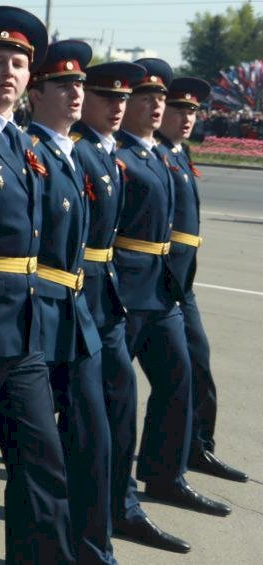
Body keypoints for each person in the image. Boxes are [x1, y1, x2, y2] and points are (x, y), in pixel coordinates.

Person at [0, 6, 73, 563]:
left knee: (43, 470)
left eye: (21, 63)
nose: (10, 71)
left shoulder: (22, 145)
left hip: (24, 338)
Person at [72, 60, 189, 553]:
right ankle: (90, 531)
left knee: (117, 416)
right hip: (79, 301)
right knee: (84, 428)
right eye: (109, 98)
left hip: (115, 295)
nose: (118, 107)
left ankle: (121, 510)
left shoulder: (106, 151)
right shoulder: (78, 152)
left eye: (124, 99)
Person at [113, 58, 230, 520]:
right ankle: (109, 493)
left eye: (163, 100)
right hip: (124, 291)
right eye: (150, 99)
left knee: (180, 378)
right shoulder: (114, 154)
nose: (160, 107)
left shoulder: (159, 153)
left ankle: (166, 474)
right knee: (104, 402)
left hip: (163, 291)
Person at [27, 41, 113, 564]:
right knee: (38, 458)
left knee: (91, 439)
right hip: (36, 314)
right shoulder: (28, 150)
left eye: (80, 84)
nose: (76, 92)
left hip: (75, 313)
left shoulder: (76, 151)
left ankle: (90, 547)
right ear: (36, 94)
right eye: (63, 84)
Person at [157, 77, 249, 485]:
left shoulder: (179, 152)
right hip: (158, 282)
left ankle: (196, 447)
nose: (187, 118)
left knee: (198, 368)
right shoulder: (152, 154)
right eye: (179, 109)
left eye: (193, 111)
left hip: (182, 282)